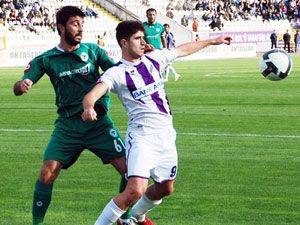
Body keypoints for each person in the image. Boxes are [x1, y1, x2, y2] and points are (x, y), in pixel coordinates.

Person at [81, 20, 231, 225]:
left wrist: (213, 41)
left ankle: (135, 217)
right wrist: (89, 107)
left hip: (166, 135)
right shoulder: (116, 73)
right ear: (124, 43)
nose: (144, 42)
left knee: (165, 188)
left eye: (144, 38)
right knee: (135, 189)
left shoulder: (155, 58)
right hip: (142, 136)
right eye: (138, 39)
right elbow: (92, 94)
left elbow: (182, 50)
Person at [13, 6, 128, 225]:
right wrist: (23, 84)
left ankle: (128, 219)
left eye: (82, 24)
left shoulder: (93, 51)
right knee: (47, 172)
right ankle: (37, 223)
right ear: (60, 27)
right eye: (75, 24)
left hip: (99, 125)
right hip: (68, 127)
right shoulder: (47, 59)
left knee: (131, 172)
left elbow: (116, 72)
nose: (80, 29)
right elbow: (18, 88)